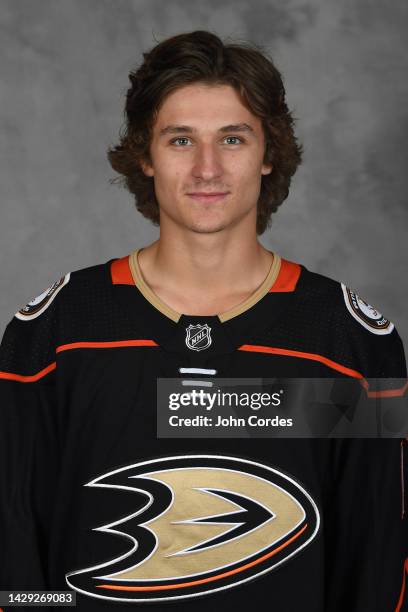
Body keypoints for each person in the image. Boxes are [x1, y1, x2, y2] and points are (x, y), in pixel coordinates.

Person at [0, 30, 407, 611]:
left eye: (233, 138)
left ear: (270, 153)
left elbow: (379, 554)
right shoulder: (57, 333)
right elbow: (13, 543)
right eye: (181, 139)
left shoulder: (347, 342)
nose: (207, 167)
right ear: (145, 153)